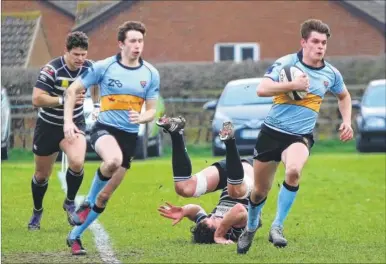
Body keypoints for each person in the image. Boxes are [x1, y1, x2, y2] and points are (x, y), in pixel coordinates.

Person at [237, 19, 354, 254]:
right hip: (271, 133)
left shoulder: (331, 73)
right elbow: (262, 89)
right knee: (260, 191)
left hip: (300, 136)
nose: (320, 47)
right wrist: (292, 84)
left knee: (293, 171)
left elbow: (344, 96)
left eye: (323, 43)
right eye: (315, 42)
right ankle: (250, 227)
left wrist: (347, 121)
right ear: (303, 42)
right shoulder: (286, 63)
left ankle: (277, 226)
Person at [63, 21, 160, 255]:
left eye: (141, 41)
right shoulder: (104, 67)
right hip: (104, 128)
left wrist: (143, 117)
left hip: (129, 138)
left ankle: (75, 236)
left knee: (105, 197)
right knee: (112, 161)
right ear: (121, 44)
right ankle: (85, 203)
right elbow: (72, 90)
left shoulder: (151, 73)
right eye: (133, 41)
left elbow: (152, 110)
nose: (138, 46)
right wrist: (67, 121)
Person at [28, 31, 99, 230]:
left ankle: (69, 202)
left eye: (83, 54)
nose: (80, 59)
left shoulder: (89, 67)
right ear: (66, 52)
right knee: (42, 175)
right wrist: (63, 99)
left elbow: (97, 84)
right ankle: (37, 211)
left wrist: (96, 105)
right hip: (48, 126)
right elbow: (37, 99)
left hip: (75, 123)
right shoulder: (51, 70)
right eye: (76, 54)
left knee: (77, 161)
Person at [156, 116, 259, 244]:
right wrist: (219, 234)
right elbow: (239, 209)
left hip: (232, 171)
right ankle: (230, 141)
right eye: (214, 220)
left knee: (183, 188)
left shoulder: (208, 223)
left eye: (209, 217)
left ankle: (176, 132)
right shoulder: (235, 231)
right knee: (235, 192)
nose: (213, 216)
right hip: (252, 173)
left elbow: (197, 210)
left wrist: (184, 211)